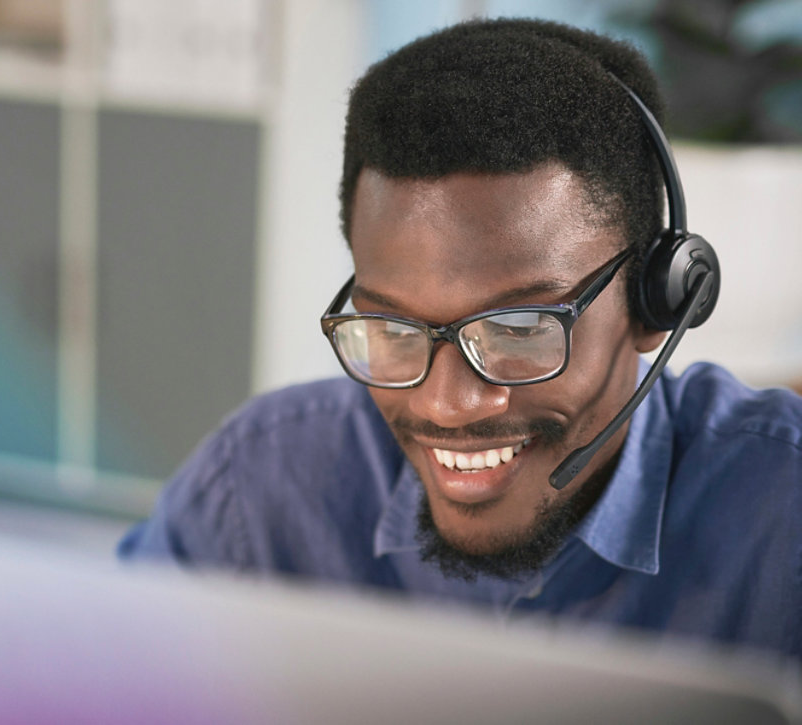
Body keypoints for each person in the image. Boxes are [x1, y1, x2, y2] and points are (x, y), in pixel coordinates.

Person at [118, 18, 802, 662]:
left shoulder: (783, 513)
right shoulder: (256, 489)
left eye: (518, 329)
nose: (447, 402)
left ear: (658, 302)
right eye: (394, 327)